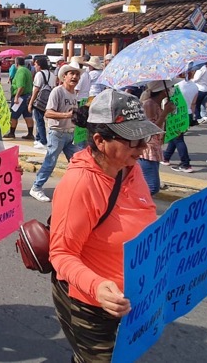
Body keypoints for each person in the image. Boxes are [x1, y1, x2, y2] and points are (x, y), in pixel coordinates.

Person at [48, 88, 162, 363]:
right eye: (133, 141)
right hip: (90, 302)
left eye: (143, 138)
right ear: (100, 140)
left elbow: (144, 217)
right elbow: (61, 254)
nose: (142, 147)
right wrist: (97, 286)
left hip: (132, 294)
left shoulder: (130, 169)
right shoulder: (80, 185)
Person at [29, 64, 81, 203]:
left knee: (77, 162)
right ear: (64, 76)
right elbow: (48, 113)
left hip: (70, 134)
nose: (75, 77)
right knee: (50, 162)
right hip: (57, 133)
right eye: (72, 74)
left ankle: (74, 187)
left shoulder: (73, 93)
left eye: (77, 75)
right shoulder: (57, 91)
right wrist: (67, 115)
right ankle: (36, 187)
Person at [139, 81, 175, 194]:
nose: (171, 90)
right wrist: (165, 112)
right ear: (164, 90)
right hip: (147, 150)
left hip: (155, 148)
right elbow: (151, 128)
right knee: (152, 187)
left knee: (147, 184)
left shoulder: (157, 104)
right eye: (169, 88)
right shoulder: (148, 104)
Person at [163, 76, 199, 173]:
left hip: (176, 115)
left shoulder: (176, 86)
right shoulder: (195, 86)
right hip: (188, 113)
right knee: (175, 137)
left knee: (178, 139)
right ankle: (166, 157)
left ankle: (186, 164)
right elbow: (194, 103)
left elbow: (170, 101)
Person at [28, 56, 54, 149]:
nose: (34, 66)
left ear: (39, 65)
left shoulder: (39, 74)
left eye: (35, 64)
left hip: (39, 101)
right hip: (48, 100)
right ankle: (38, 138)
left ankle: (43, 141)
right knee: (41, 120)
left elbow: (36, 90)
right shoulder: (52, 74)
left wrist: (31, 103)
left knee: (39, 121)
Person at [6, 56, 34, 140]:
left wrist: (16, 97)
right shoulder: (27, 70)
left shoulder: (20, 71)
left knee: (13, 115)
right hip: (28, 96)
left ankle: (12, 133)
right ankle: (30, 133)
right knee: (27, 115)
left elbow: (21, 86)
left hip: (21, 97)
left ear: (16, 63)